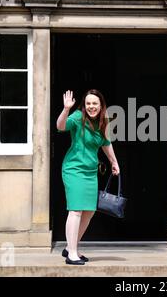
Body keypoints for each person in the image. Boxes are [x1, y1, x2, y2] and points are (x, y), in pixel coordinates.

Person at [57, 89, 120, 265]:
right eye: (88, 103)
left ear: (101, 106)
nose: (91, 106)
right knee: (76, 209)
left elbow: (106, 144)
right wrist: (66, 109)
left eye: (95, 104)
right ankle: (72, 254)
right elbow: (60, 126)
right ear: (84, 106)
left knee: (89, 211)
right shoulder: (77, 117)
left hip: (90, 172)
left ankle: (71, 247)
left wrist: (114, 162)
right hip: (74, 169)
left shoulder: (103, 122)